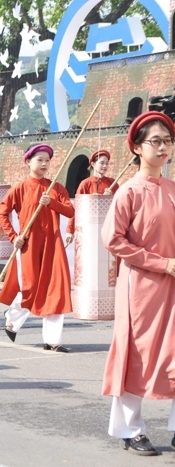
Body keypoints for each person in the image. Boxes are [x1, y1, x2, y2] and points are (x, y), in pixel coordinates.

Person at [101, 112, 175, 456]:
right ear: (137, 147)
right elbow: (113, 240)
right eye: (155, 141)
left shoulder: (173, 189)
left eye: (168, 141)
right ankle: (130, 429)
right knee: (139, 356)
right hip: (142, 286)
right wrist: (161, 263)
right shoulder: (128, 192)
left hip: (173, 283)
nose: (163, 147)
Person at [0, 143, 74, 352]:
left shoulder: (55, 187)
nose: (44, 163)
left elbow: (70, 211)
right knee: (29, 288)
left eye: (47, 160)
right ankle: (12, 318)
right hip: (29, 245)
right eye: (40, 159)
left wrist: (52, 203)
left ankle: (53, 341)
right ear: (28, 161)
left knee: (56, 290)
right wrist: (13, 237)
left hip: (53, 245)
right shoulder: (19, 188)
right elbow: (2, 212)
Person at [65, 149, 116, 245]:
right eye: (101, 163)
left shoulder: (112, 183)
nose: (105, 166)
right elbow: (76, 208)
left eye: (107, 163)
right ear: (93, 164)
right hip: (88, 228)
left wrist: (111, 198)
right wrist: (70, 231)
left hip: (107, 228)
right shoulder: (85, 184)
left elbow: (121, 205)